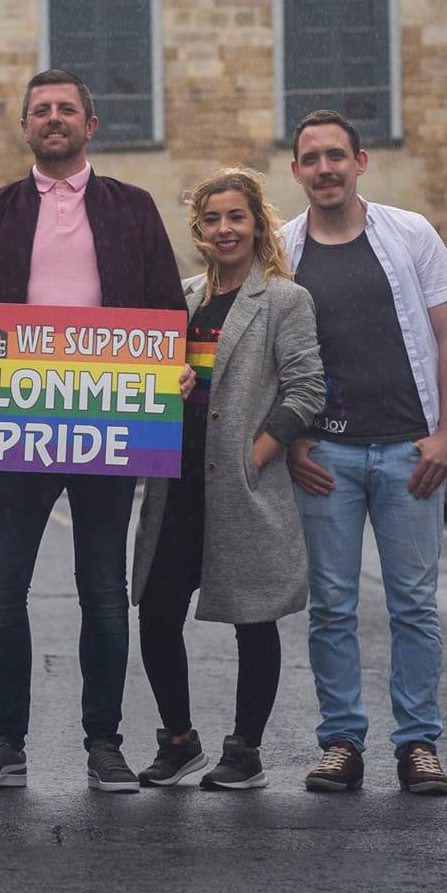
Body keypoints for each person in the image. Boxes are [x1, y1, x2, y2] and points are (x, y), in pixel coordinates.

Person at [0, 69, 188, 794]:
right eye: (40, 110)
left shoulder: (133, 209)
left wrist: (181, 373)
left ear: (90, 125)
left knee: (104, 591)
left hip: (111, 424)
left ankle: (103, 742)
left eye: (66, 109)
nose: (53, 118)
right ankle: (3, 740)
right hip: (13, 423)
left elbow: (169, 310)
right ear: (24, 127)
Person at [282, 109, 447, 796]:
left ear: (360, 162)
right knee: (329, 607)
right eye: (312, 158)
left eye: (337, 155)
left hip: (407, 456)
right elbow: (275, 356)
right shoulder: (284, 249)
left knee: (413, 605)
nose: (325, 168)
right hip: (325, 457)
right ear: (296, 169)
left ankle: (418, 743)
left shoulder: (411, 233)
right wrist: (293, 439)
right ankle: (340, 742)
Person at [132, 169, 324, 790]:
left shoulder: (285, 299)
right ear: (199, 228)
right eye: (212, 219)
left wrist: (259, 453)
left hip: (243, 484)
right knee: (157, 612)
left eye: (236, 217)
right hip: (176, 483)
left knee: (253, 615)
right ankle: (180, 741)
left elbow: (307, 388)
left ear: (257, 224)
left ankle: (245, 752)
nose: (224, 229)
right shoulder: (180, 299)